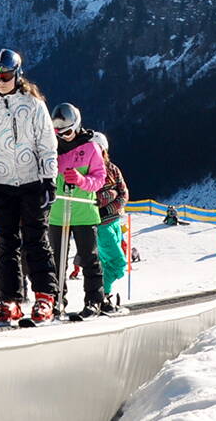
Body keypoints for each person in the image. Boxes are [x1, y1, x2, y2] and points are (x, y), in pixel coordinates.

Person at [0, 49, 59, 325]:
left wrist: (49, 179)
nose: (0, 80)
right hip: (1, 183)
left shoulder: (33, 105)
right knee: (6, 244)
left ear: (17, 74)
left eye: (6, 74)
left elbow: (46, 144)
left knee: (36, 240)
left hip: (32, 182)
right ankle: (9, 301)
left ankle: (45, 297)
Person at [48, 104, 107, 318]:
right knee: (56, 260)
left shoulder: (91, 148)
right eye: (58, 133)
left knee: (88, 258)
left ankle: (94, 300)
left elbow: (100, 179)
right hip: (57, 212)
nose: (63, 137)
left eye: (67, 132)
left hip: (83, 212)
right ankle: (55, 301)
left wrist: (82, 180)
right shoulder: (52, 148)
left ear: (77, 126)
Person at [90, 129, 129, 313]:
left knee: (107, 263)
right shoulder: (89, 171)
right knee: (118, 262)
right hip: (101, 225)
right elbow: (91, 197)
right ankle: (103, 294)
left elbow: (124, 193)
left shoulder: (113, 169)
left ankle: (106, 295)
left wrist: (110, 204)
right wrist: (109, 196)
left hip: (115, 221)